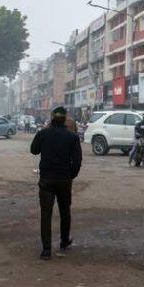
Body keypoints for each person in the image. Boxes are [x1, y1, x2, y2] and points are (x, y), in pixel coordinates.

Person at [30, 106, 82, 261]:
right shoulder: (72, 137)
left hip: (46, 179)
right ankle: (64, 241)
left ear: (52, 117)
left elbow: (34, 150)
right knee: (65, 211)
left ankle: (46, 250)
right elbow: (77, 160)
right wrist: (71, 175)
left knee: (46, 214)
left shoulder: (43, 133)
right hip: (64, 179)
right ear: (64, 119)